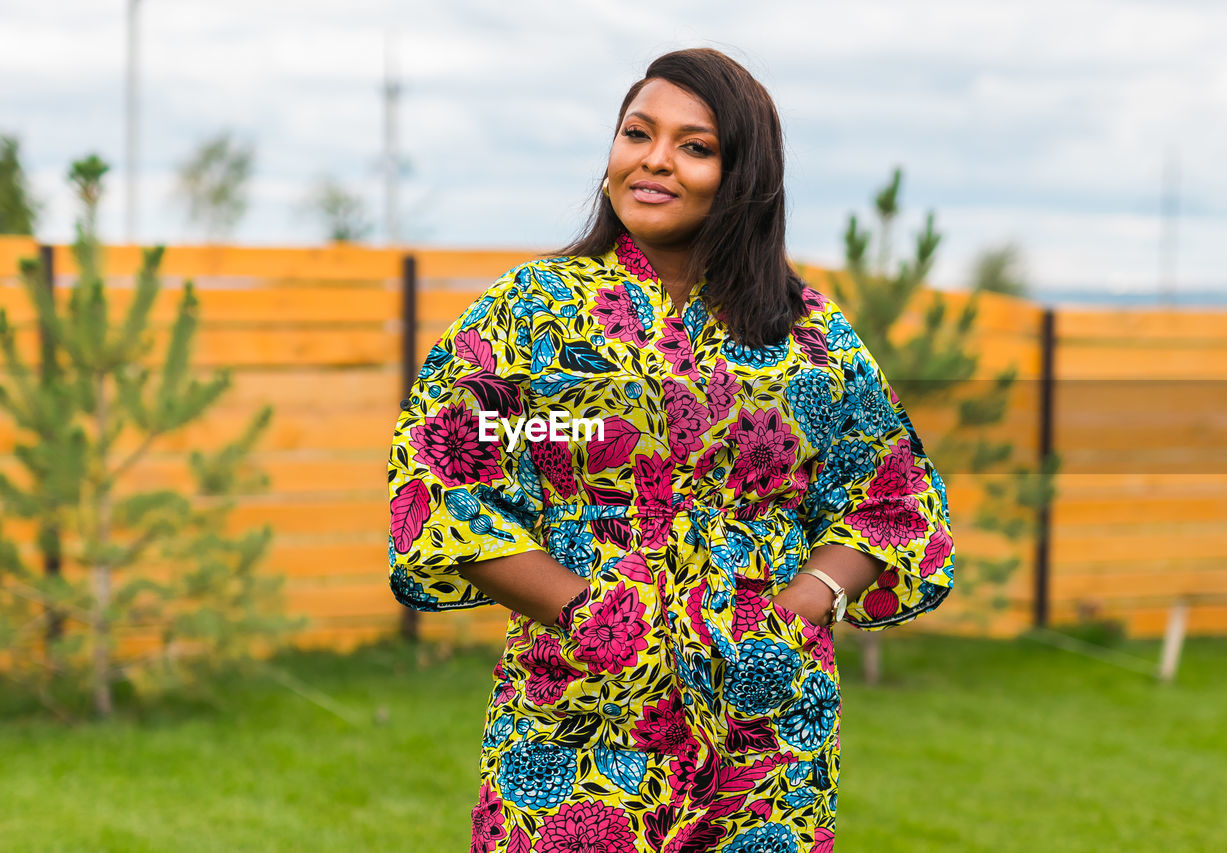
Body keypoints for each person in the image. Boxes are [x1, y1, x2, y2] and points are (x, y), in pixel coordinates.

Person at [387, 47, 955, 852]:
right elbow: (441, 478)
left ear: (743, 174)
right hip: (578, 721)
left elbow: (890, 495)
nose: (654, 160)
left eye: (694, 145)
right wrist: (584, 613)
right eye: (636, 134)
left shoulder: (811, 338)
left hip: (765, 735)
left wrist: (801, 606)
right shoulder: (532, 316)